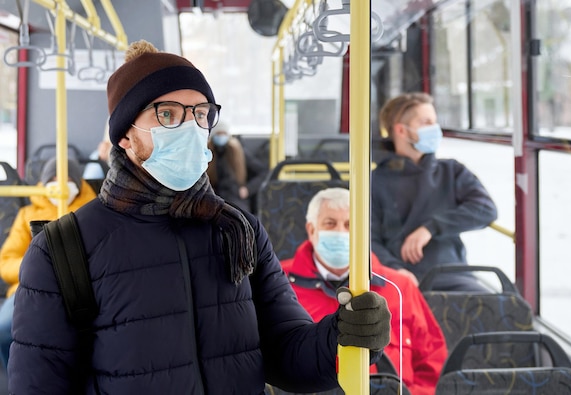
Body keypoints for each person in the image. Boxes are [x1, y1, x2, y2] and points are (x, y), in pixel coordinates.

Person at [8, 40, 391, 394]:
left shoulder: (238, 231)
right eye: (168, 114)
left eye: (201, 113)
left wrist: (343, 336)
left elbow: (287, 354)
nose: (191, 128)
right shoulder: (64, 251)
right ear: (126, 135)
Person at [281, 187, 448, 395]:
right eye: (330, 224)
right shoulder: (278, 284)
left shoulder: (400, 287)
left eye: (349, 225)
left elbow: (432, 365)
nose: (340, 232)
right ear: (312, 230)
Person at [372, 92, 498, 291]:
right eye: (426, 122)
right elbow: (369, 240)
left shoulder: (452, 171)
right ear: (401, 131)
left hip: (452, 274)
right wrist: (395, 270)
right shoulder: (375, 181)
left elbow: (485, 210)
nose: (434, 128)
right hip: (399, 278)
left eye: (434, 121)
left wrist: (430, 228)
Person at [0, 157, 96, 371]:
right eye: (52, 178)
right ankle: (16, 375)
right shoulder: (27, 215)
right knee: (4, 328)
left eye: (66, 178)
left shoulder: (92, 213)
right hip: (28, 287)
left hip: (81, 287)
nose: (59, 184)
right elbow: (6, 262)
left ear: (78, 183)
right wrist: (36, 269)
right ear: (44, 183)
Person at [206, 121, 253, 211]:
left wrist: (248, 189)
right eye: (218, 134)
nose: (221, 137)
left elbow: (262, 172)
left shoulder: (239, 152)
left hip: (235, 197)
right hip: (213, 197)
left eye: (223, 134)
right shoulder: (207, 153)